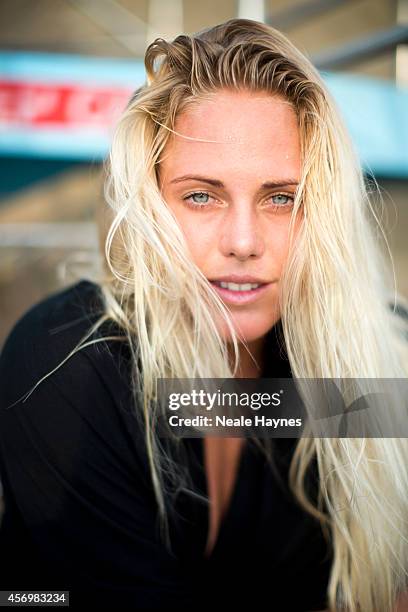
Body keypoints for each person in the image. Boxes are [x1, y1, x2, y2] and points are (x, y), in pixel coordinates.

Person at [1, 17, 408, 612]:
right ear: (150, 205)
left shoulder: (349, 364)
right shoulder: (68, 364)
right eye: (201, 195)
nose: (243, 241)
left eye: (280, 197)